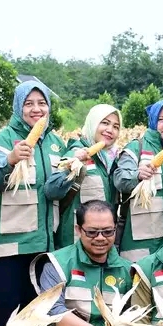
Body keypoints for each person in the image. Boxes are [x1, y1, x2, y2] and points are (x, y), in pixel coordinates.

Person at [0, 80, 67, 326]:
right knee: (5, 316)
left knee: (31, 316)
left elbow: (54, 190)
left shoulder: (55, 143)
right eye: (29, 104)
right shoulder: (2, 141)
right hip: (5, 246)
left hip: (40, 245)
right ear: (18, 107)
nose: (36, 109)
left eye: (42, 103)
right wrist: (10, 160)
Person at [113, 100, 163, 261]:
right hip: (139, 248)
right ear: (152, 121)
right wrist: (137, 175)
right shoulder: (136, 148)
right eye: (161, 119)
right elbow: (119, 179)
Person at [50, 104, 122, 248]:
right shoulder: (76, 152)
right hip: (75, 242)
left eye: (116, 126)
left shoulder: (114, 159)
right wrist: (70, 167)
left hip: (102, 243)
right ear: (93, 123)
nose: (110, 130)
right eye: (105, 123)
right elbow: (51, 190)